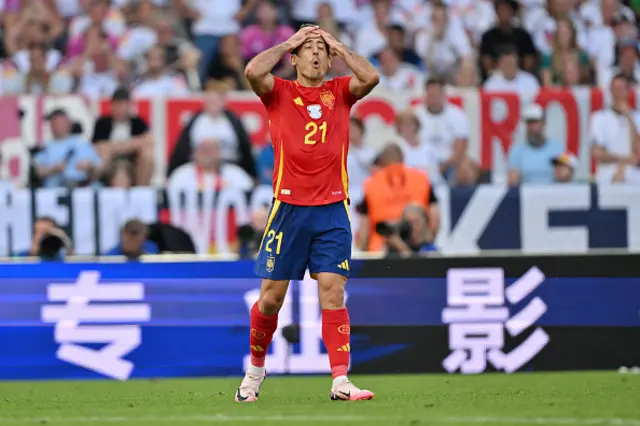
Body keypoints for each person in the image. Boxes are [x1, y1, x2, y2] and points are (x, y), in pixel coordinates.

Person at [239, 24, 379, 402]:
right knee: (271, 299)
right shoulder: (279, 93)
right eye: (308, 48)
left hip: (332, 209)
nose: (316, 53)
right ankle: (254, 373)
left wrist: (339, 45)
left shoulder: (340, 93)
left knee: (333, 291)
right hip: (288, 208)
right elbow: (252, 71)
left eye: (321, 49)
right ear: (295, 58)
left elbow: (371, 76)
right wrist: (288, 41)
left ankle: (340, 381)